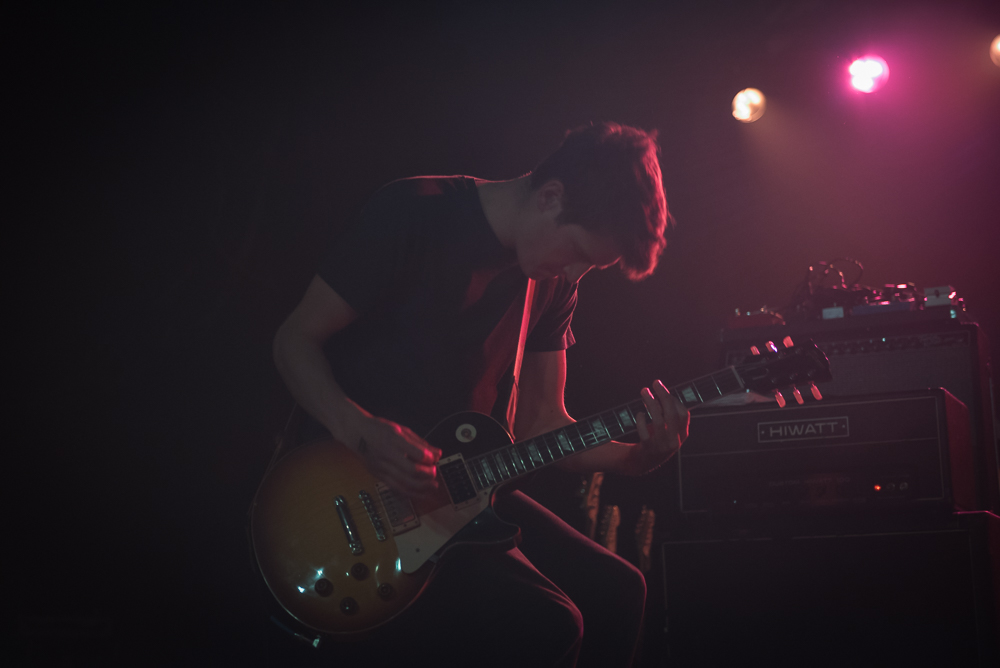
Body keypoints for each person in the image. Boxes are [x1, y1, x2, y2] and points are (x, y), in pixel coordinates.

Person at [271, 122, 690, 667]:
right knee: (549, 623)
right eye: (578, 252)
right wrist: (360, 430)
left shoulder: (552, 281)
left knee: (618, 591)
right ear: (551, 196)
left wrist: (638, 458)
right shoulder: (415, 212)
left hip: (458, 489)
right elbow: (294, 340)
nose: (576, 272)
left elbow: (542, 423)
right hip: (351, 485)